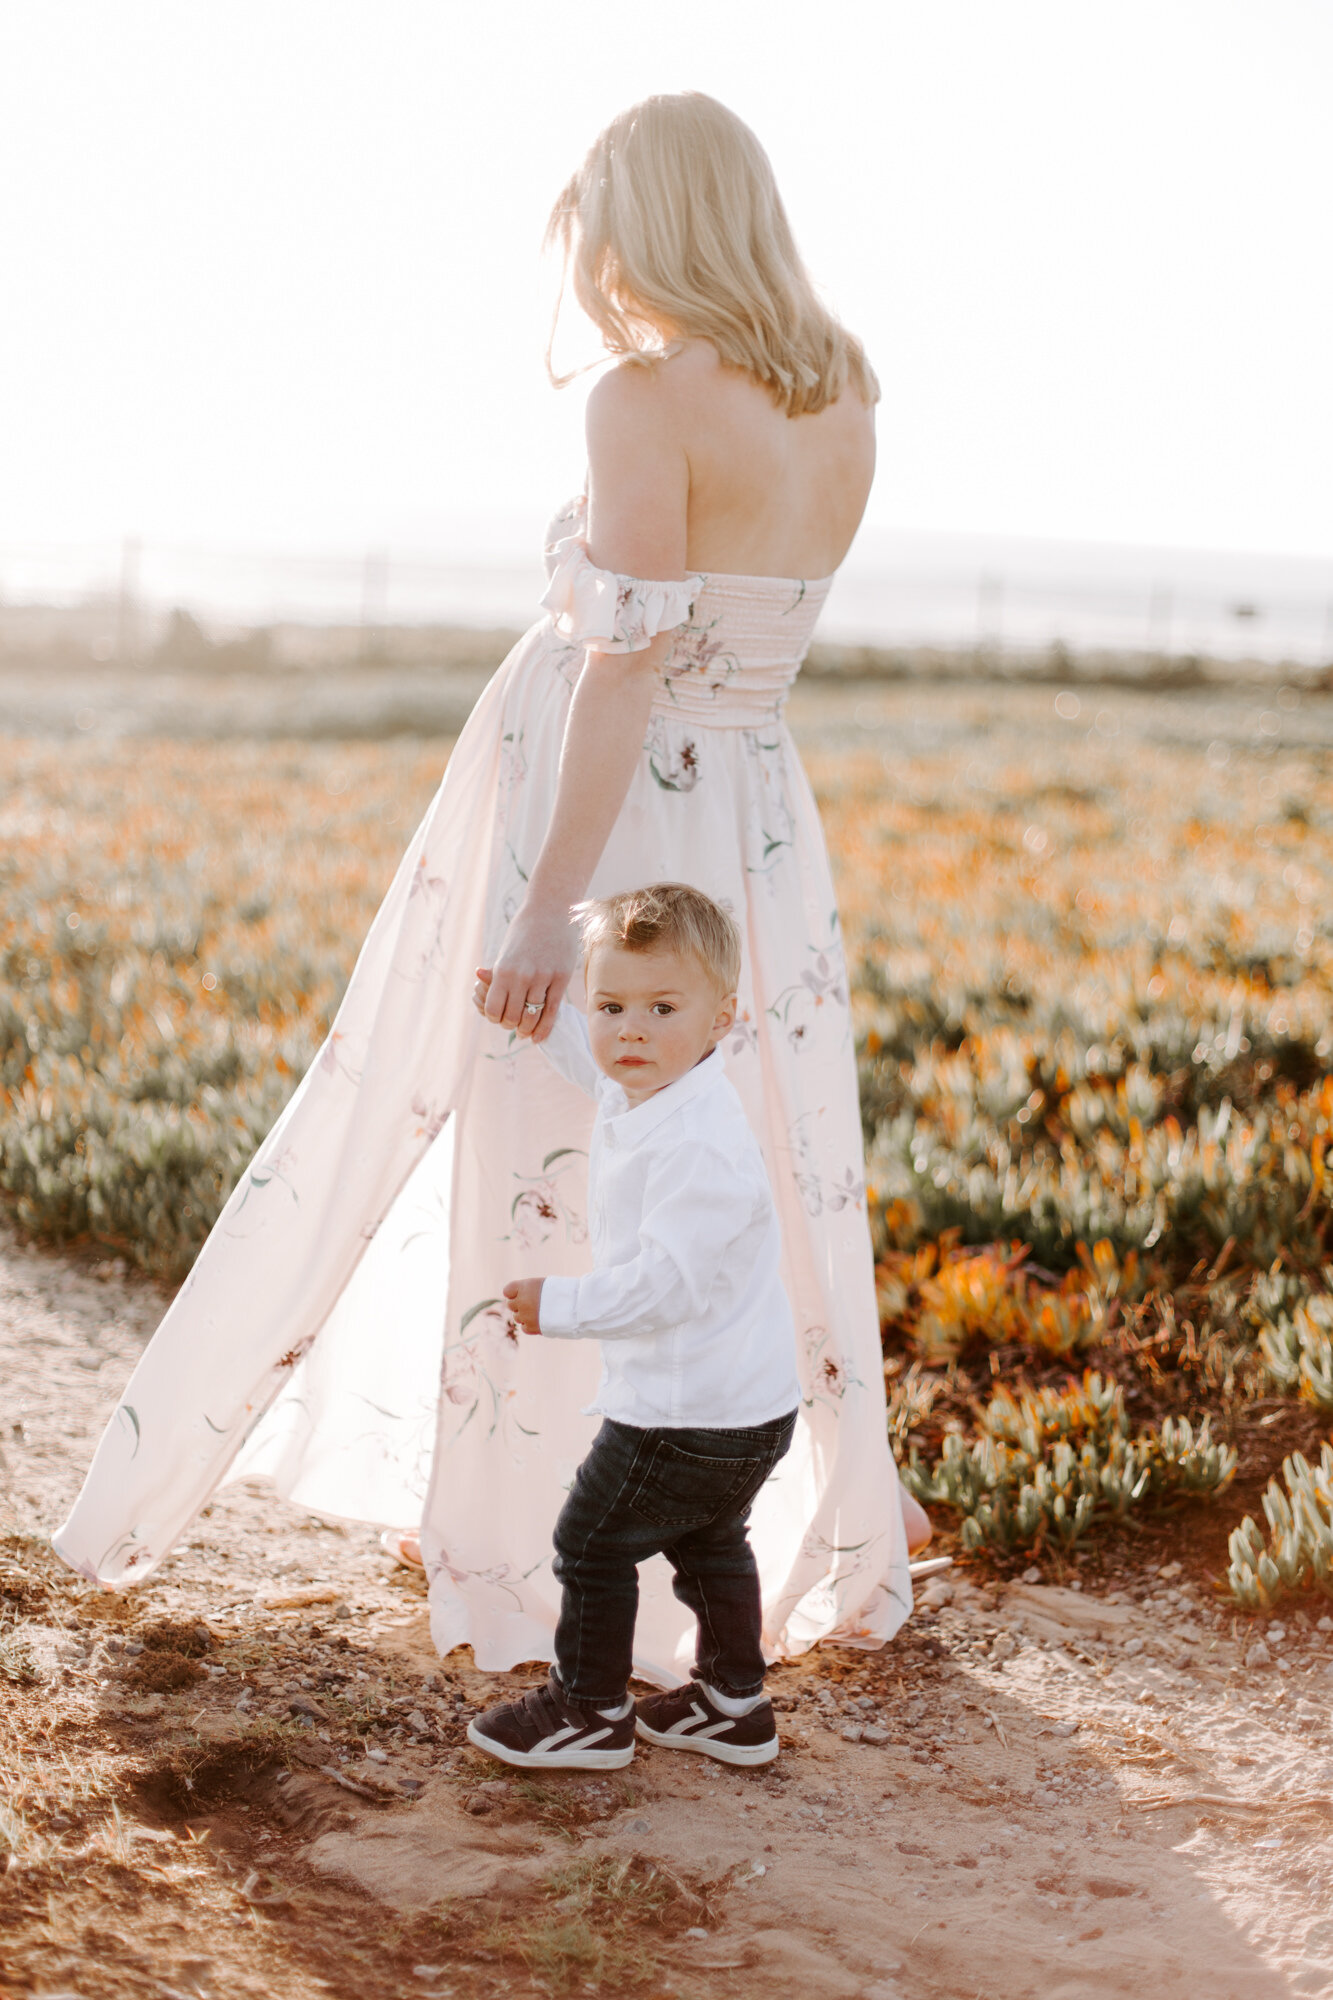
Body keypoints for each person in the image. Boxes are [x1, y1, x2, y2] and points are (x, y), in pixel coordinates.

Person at [54, 91, 929, 1678]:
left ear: (646, 225)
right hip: (753, 821)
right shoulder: (845, 387)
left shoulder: (646, 398)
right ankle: (720, 1514)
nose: (588, 268)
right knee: (741, 1155)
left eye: (594, 230)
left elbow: (624, 668)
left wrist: (546, 905)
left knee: (552, 1136)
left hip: (617, 820)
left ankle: (532, 1532)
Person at [467, 883, 799, 1771]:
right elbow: (599, 1067)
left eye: (661, 1008)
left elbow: (669, 1285)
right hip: (744, 1404)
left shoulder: (699, 1144)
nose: (631, 1032)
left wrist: (562, 1306)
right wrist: (544, 1022)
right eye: (609, 1006)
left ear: (720, 1018)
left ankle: (589, 1709)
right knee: (709, 1541)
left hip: (685, 1414)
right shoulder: (659, 1089)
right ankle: (736, 1703)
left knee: (590, 1541)